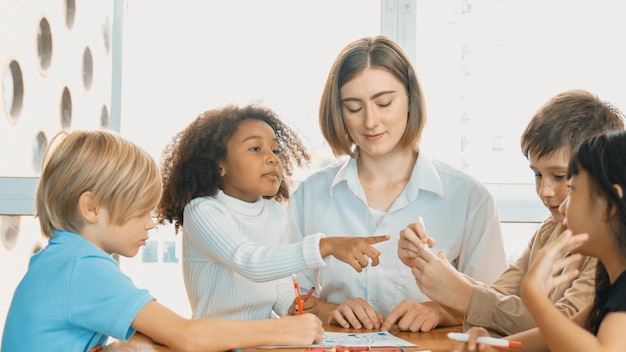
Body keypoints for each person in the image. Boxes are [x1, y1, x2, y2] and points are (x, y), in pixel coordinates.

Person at [1, 129, 324, 352]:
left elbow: (154, 338)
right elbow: (187, 335)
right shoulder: (81, 268)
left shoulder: (62, 259)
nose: (151, 222)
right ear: (91, 207)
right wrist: (283, 330)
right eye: (140, 211)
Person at [286, 35, 508, 332]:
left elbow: (497, 305)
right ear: (339, 112)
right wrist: (332, 311)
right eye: (354, 108)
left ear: (410, 101)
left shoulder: (468, 197)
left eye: (384, 103)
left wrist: (440, 312)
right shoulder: (309, 196)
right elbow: (290, 300)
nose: (370, 122)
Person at [398, 89, 625, 336]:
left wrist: (460, 293)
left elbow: (565, 326)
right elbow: (501, 295)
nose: (545, 191)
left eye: (561, 178)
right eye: (537, 174)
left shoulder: (605, 247)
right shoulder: (549, 229)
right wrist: (443, 281)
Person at [156, 104, 388, 320]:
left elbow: (282, 291)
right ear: (219, 164)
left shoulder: (275, 213)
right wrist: (326, 246)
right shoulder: (203, 210)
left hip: (264, 340)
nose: (272, 158)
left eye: (275, 150)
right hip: (216, 343)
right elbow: (251, 262)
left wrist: (320, 309)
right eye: (256, 148)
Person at [450, 130, 626, 352]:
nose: (563, 207)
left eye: (572, 190)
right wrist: (491, 346)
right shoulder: (610, 286)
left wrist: (534, 295)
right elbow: (558, 337)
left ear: (607, 204)